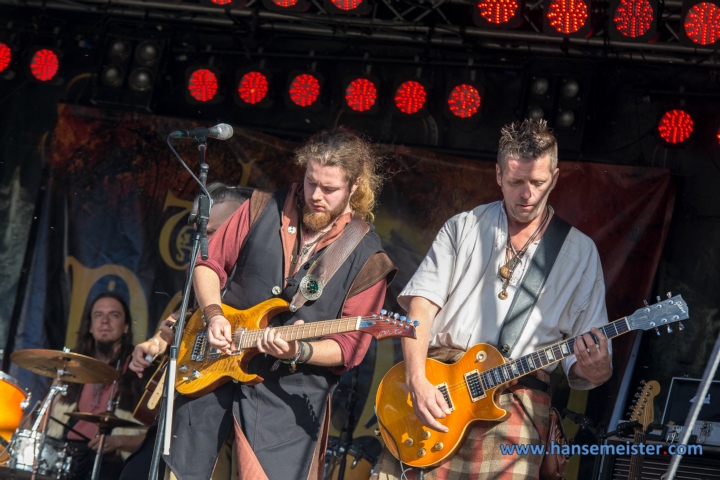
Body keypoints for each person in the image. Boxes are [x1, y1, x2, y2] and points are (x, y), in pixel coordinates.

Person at [373, 119, 613, 480]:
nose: (527, 194)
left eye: (538, 183)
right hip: (438, 388)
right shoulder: (464, 227)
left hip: (516, 404)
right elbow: (421, 307)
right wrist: (417, 378)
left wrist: (596, 368)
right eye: (516, 182)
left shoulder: (579, 253)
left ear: (557, 177)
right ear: (498, 175)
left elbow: (586, 363)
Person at [166, 127, 397, 480]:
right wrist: (213, 314)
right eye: (310, 182)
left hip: (286, 409)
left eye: (330, 189)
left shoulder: (369, 257)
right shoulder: (260, 207)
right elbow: (207, 264)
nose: (316, 195)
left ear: (355, 185)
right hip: (208, 378)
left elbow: (350, 348)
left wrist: (299, 351)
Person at [121, 183, 253, 480]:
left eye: (216, 231)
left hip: (226, 410)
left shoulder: (255, 275)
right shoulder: (204, 270)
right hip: (184, 397)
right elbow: (185, 313)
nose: (206, 240)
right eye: (202, 231)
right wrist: (156, 343)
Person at [47, 292, 145, 480]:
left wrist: (119, 441)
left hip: (113, 462)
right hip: (65, 458)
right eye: (98, 315)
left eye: (114, 315)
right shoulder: (70, 368)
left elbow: (155, 437)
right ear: (90, 327)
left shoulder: (140, 371)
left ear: (126, 327)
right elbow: (45, 422)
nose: (105, 321)